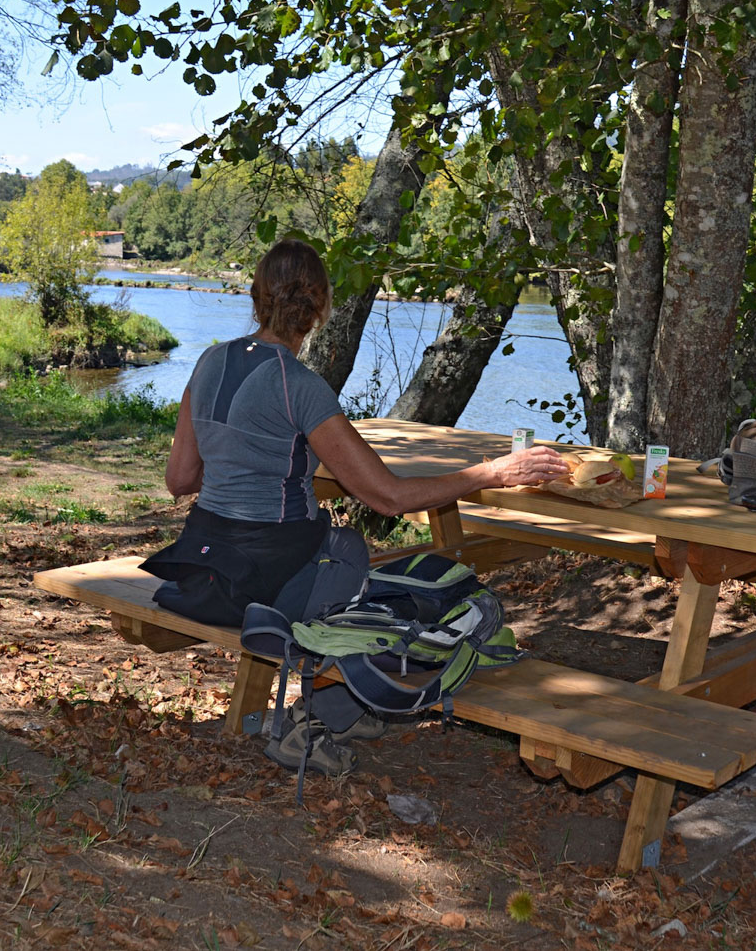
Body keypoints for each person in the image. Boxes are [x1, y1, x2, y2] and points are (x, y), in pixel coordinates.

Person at [141, 239, 568, 775]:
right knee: (360, 569)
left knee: (353, 567)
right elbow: (386, 497)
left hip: (203, 567)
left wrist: (237, 450)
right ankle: (313, 718)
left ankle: (345, 706)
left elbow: (179, 479)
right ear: (319, 308)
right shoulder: (300, 386)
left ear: (255, 296)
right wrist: (492, 473)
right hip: (269, 577)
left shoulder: (208, 361)